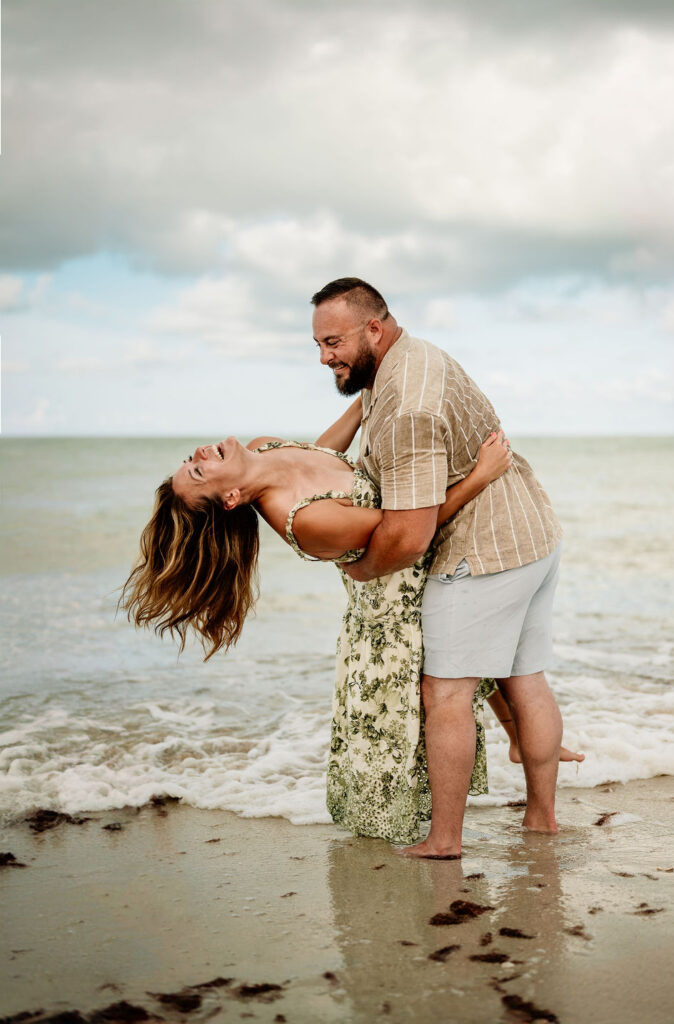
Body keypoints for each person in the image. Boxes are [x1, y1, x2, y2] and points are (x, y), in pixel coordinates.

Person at [120, 414, 519, 843]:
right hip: (395, 609)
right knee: (447, 696)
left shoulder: (265, 447)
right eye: (198, 471)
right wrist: (480, 476)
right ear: (232, 498)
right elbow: (405, 529)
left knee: (484, 664)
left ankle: (519, 744)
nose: (199, 453)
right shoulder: (306, 522)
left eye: (189, 460)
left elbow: (318, 457)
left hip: (421, 571)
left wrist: (367, 398)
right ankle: (441, 833)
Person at [312, 277, 567, 855]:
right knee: (525, 679)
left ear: (373, 328)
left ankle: (445, 840)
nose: (325, 357)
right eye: (319, 345)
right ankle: (541, 819)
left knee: (444, 694)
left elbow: (410, 535)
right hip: (530, 533)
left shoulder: (408, 405)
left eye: (333, 342)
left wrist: (363, 570)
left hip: (481, 552)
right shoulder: (408, 359)